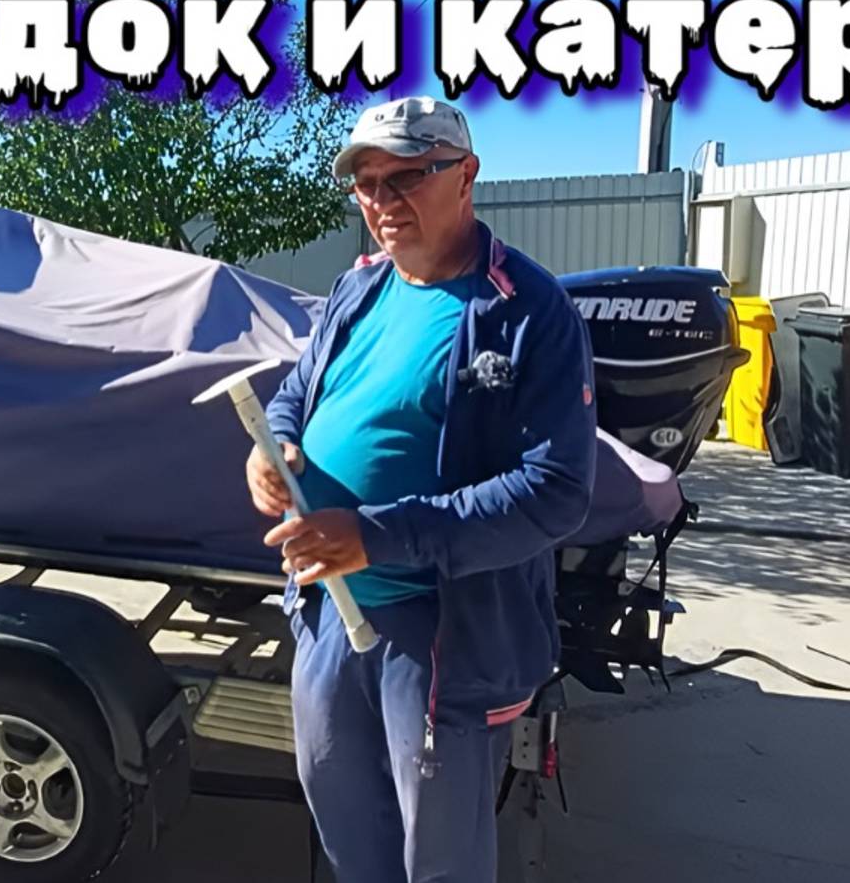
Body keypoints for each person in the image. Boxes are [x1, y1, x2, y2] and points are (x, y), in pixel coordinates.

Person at [247, 96, 598, 882]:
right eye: (366, 184)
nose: (382, 202)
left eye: (406, 177)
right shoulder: (359, 288)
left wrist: (375, 536)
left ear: (465, 175)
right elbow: (295, 394)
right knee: (346, 829)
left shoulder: (528, 312)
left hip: (441, 634)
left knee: (439, 856)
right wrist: (274, 449)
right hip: (328, 609)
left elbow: (555, 492)